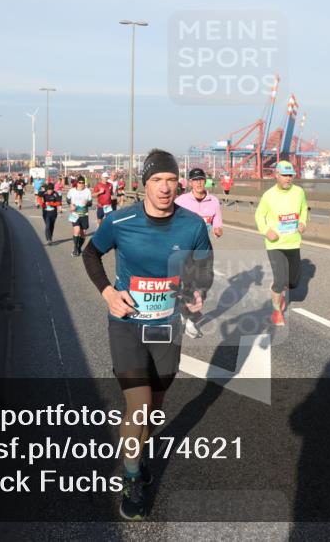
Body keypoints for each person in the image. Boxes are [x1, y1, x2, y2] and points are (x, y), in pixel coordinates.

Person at [81, 149, 214, 521]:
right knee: (137, 408)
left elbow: (204, 267)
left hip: (165, 326)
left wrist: (198, 289)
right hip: (126, 324)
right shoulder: (121, 221)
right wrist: (108, 293)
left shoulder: (191, 225)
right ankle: (132, 476)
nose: (165, 187)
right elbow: (91, 255)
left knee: (154, 409)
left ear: (179, 183)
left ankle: (136, 453)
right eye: (157, 180)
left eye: (171, 179)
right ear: (144, 185)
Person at [255, 160, 309, 326]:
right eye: (284, 175)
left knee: (293, 282)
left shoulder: (299, 192)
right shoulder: (268, 195)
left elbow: (303, 209)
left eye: (290, 175)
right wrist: (266, 230)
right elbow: (259, 215)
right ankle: (276, 310)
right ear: (276, 175)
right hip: (275, 244)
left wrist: (302, 223)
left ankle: (279, 293)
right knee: (279, 280)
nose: (288, 178)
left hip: (293, 242)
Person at [174, 167, 224, 338]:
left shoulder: (214, 201)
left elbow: (217, 222)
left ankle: (188, 317)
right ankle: (187, 318)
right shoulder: (181, 201)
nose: (198, 183)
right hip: (186, 251)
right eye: (195, 180)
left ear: (205, 181)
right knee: (188, 286)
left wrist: (218, 229)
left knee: (204, 285)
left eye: (201, 180)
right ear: (190, 183)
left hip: (205, 250)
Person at [65, 175, 92, 257]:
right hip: (75, 214)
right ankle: (75, 249)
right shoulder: (72, 191)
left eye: (83, 183)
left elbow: (90, 203)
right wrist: (71, 205)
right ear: (77, 183)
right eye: (80, 182)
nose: (81, 184)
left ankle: (78, 247)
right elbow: (67, 199)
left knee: (83, 233)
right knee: (76, 230)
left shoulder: (87, 191)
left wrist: (86, 203)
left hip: (84, 214)